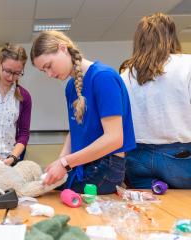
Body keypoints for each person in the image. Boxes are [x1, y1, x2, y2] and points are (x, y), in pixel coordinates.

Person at [30, 31, 136, 194]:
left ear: (63, 48)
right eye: (44, 71)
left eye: (49, 66)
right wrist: (60, 161)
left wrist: (65, 163)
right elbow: (75, 131)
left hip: (105, 168)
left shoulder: (103, 77)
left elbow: (115, 138)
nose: (49, 74)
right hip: (82, 165)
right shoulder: (71, 87)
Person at [120, 12, 191, 189]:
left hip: (136, 156)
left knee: (149, 210)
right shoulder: (187, 65)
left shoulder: (125, 75)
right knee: (182, 209)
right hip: (179, 156)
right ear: (171, 36)